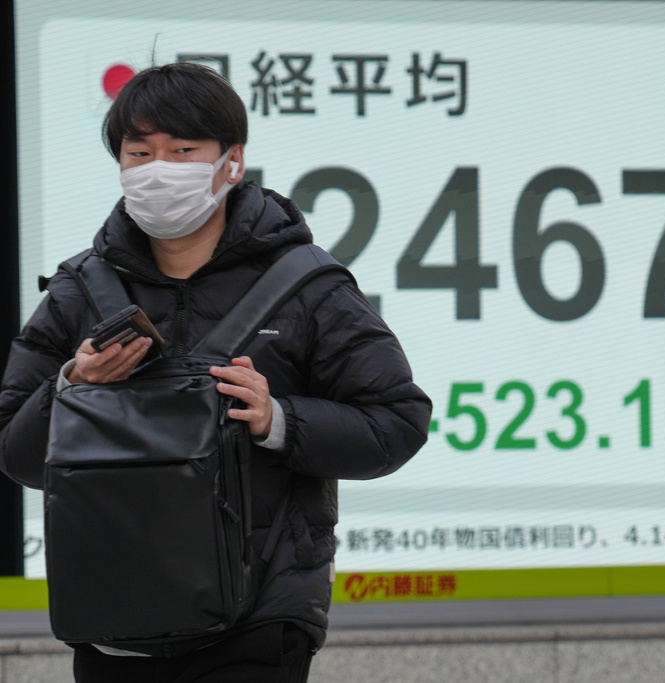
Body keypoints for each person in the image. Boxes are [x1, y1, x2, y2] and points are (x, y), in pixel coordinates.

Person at [0, 62, 431, 682]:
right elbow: (15, 454)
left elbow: (396, 423)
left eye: (182, 151)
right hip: (115, 617)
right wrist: (73, 387)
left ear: (232, 161)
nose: (157, 170)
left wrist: (277, 419)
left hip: (259, 617)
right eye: (139, 152)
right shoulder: (79, 290)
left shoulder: (306, 284)